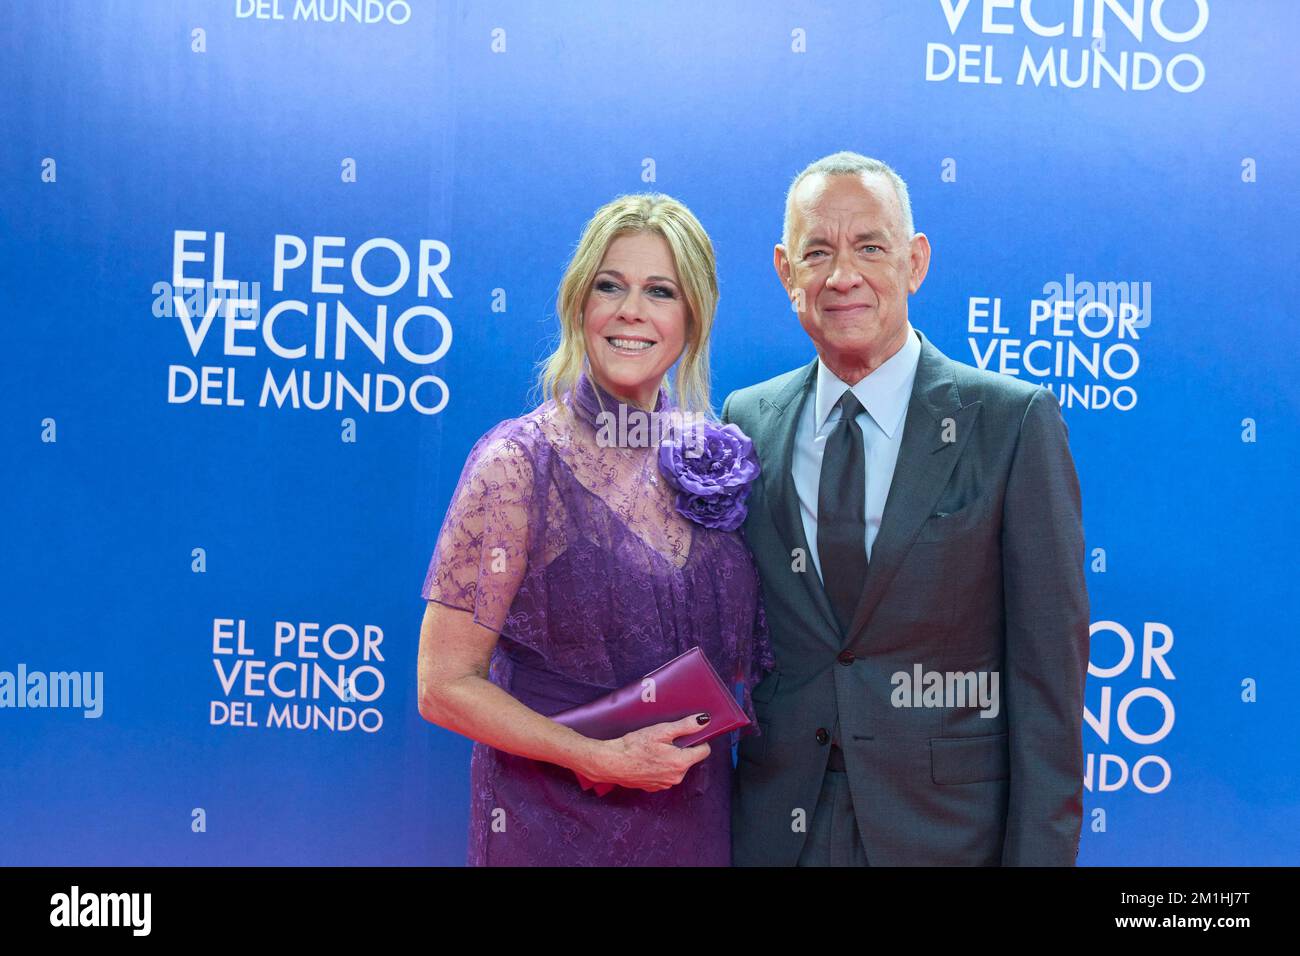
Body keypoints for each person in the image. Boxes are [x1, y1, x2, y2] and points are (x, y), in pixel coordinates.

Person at [723, 152, 1090, 866]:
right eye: (818, 252)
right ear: (784, 270)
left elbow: (1050, 680)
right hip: (775, 830)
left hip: (948, 836)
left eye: (870, 247)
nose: (843, 276)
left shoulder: (1009, 422)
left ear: (915, 262)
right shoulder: (748, 420)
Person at [416, 193, 772, 866]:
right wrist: (595, 756)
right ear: (581, 304)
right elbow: (442, 684)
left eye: (659, 291)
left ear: (692, 318)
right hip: (551, 821)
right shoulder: (518, 464)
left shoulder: (711, 454)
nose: (631, 310)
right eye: (611, 286)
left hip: (692, 819)